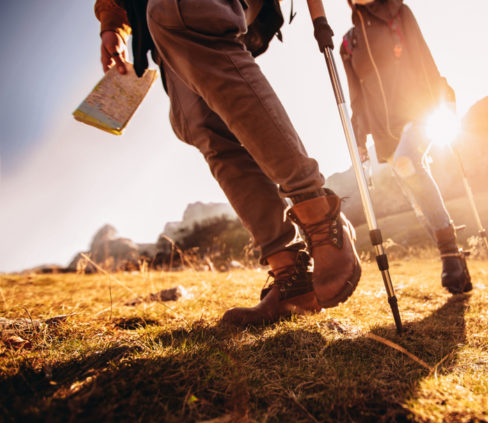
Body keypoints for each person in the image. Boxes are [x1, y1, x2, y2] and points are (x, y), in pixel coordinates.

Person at [94, 0, 361, 326]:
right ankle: (290, 275)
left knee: (180, 12)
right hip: (152, 26)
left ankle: (318, 212)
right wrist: (112, 22)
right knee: (201, 123)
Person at [339, 0, 472, 294]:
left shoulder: (398, 13)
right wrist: (360, 139)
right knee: (416, 194)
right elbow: (357, 98)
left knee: (407, 161)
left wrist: (444, 96)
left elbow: (423, 55)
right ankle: (455, 258)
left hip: (420, 111)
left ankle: (449, 252)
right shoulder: (349, 44)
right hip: (384, 132)